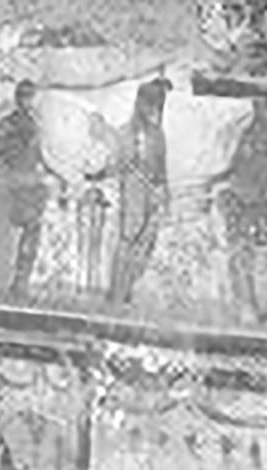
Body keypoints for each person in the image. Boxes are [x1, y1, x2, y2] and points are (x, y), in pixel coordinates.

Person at [205, 96, 267, 324]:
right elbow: (234, 165)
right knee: (238, 254)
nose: (258, 106)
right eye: (255, 102)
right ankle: (246, 306)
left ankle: (259, 305)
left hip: (258, 201)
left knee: (254, 255)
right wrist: (214, 179)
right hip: (238, 197)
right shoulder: (246, 132)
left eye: (262, 102)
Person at [0, 79, 67, 303]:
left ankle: (20, 284)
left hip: (29, 185)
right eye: (26, 96)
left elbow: (39, 156)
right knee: (17, 236)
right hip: (15, 187)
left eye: (31, 96)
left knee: (30, 234)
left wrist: (56, 174)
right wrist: (10, 179)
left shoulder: (32, 123)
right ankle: (12, 284)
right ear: (19, 98)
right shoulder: (9, 124)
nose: (30, 101)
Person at [86, 76, 172, 308]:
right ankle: (116, 294)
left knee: (146, 244)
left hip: (152, 191)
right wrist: (101, 174)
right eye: (150, 103)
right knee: (128, 239)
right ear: (140, 103)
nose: (153, 109)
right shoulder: (126, 132)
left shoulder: (157, 134)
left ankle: (126, 289)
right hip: (134, 189)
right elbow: (119, 163)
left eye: (156, 104)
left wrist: (164, 193)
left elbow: (161, 166)